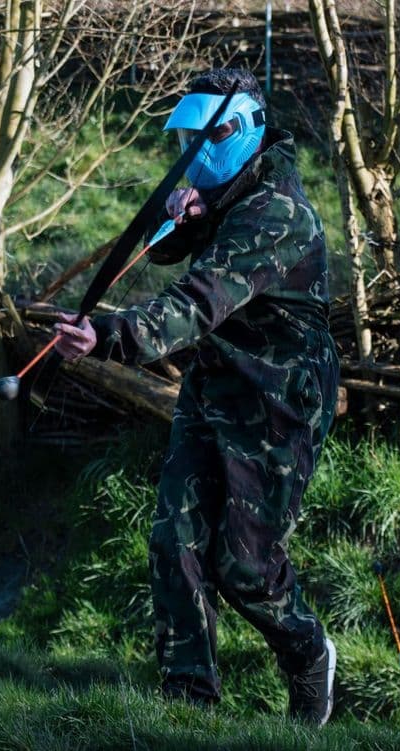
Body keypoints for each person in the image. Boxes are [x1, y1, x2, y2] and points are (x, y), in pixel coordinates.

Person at [53, 68, 340, 725]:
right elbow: (174, 248)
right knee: (174, 540)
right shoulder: (230, 190)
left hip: (277, 400)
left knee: (244, 566)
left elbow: (199, 301)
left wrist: (109, 336)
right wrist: (180, 217)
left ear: (237, 132)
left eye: (197, 136)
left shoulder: (275, 211)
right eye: (181, 137)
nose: (188, 150)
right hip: (214, 384)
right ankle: (190, 706)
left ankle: (307, 652)